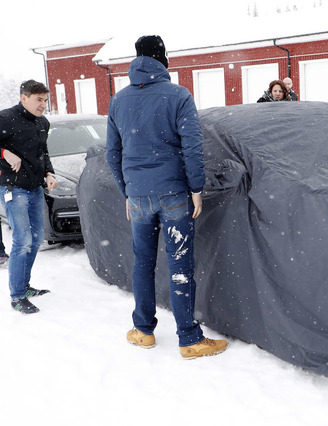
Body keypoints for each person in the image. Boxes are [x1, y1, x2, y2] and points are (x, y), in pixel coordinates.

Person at [106, 35, 228, 359]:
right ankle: (189, 338)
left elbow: (112, 153)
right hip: (174, 194)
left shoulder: (118, 101)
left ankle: (143, 331)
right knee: (180, 264)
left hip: (139, 197)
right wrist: (196, 189)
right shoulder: (178, 96)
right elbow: (192, 146)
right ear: (164, 60)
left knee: (142, 264)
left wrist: (127, 192)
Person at [0, 80, 58, 314]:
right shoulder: (5, 118)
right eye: (38, 100)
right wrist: (5, 152)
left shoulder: (43, 122)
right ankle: (16, 296)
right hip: (13, 189)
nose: (43, 105)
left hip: (35, 188)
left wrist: (48, 172)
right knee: (22, 240)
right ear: (24, 98)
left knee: (35, 240)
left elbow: (43, 151)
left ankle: (24, 286)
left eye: (45, 100)